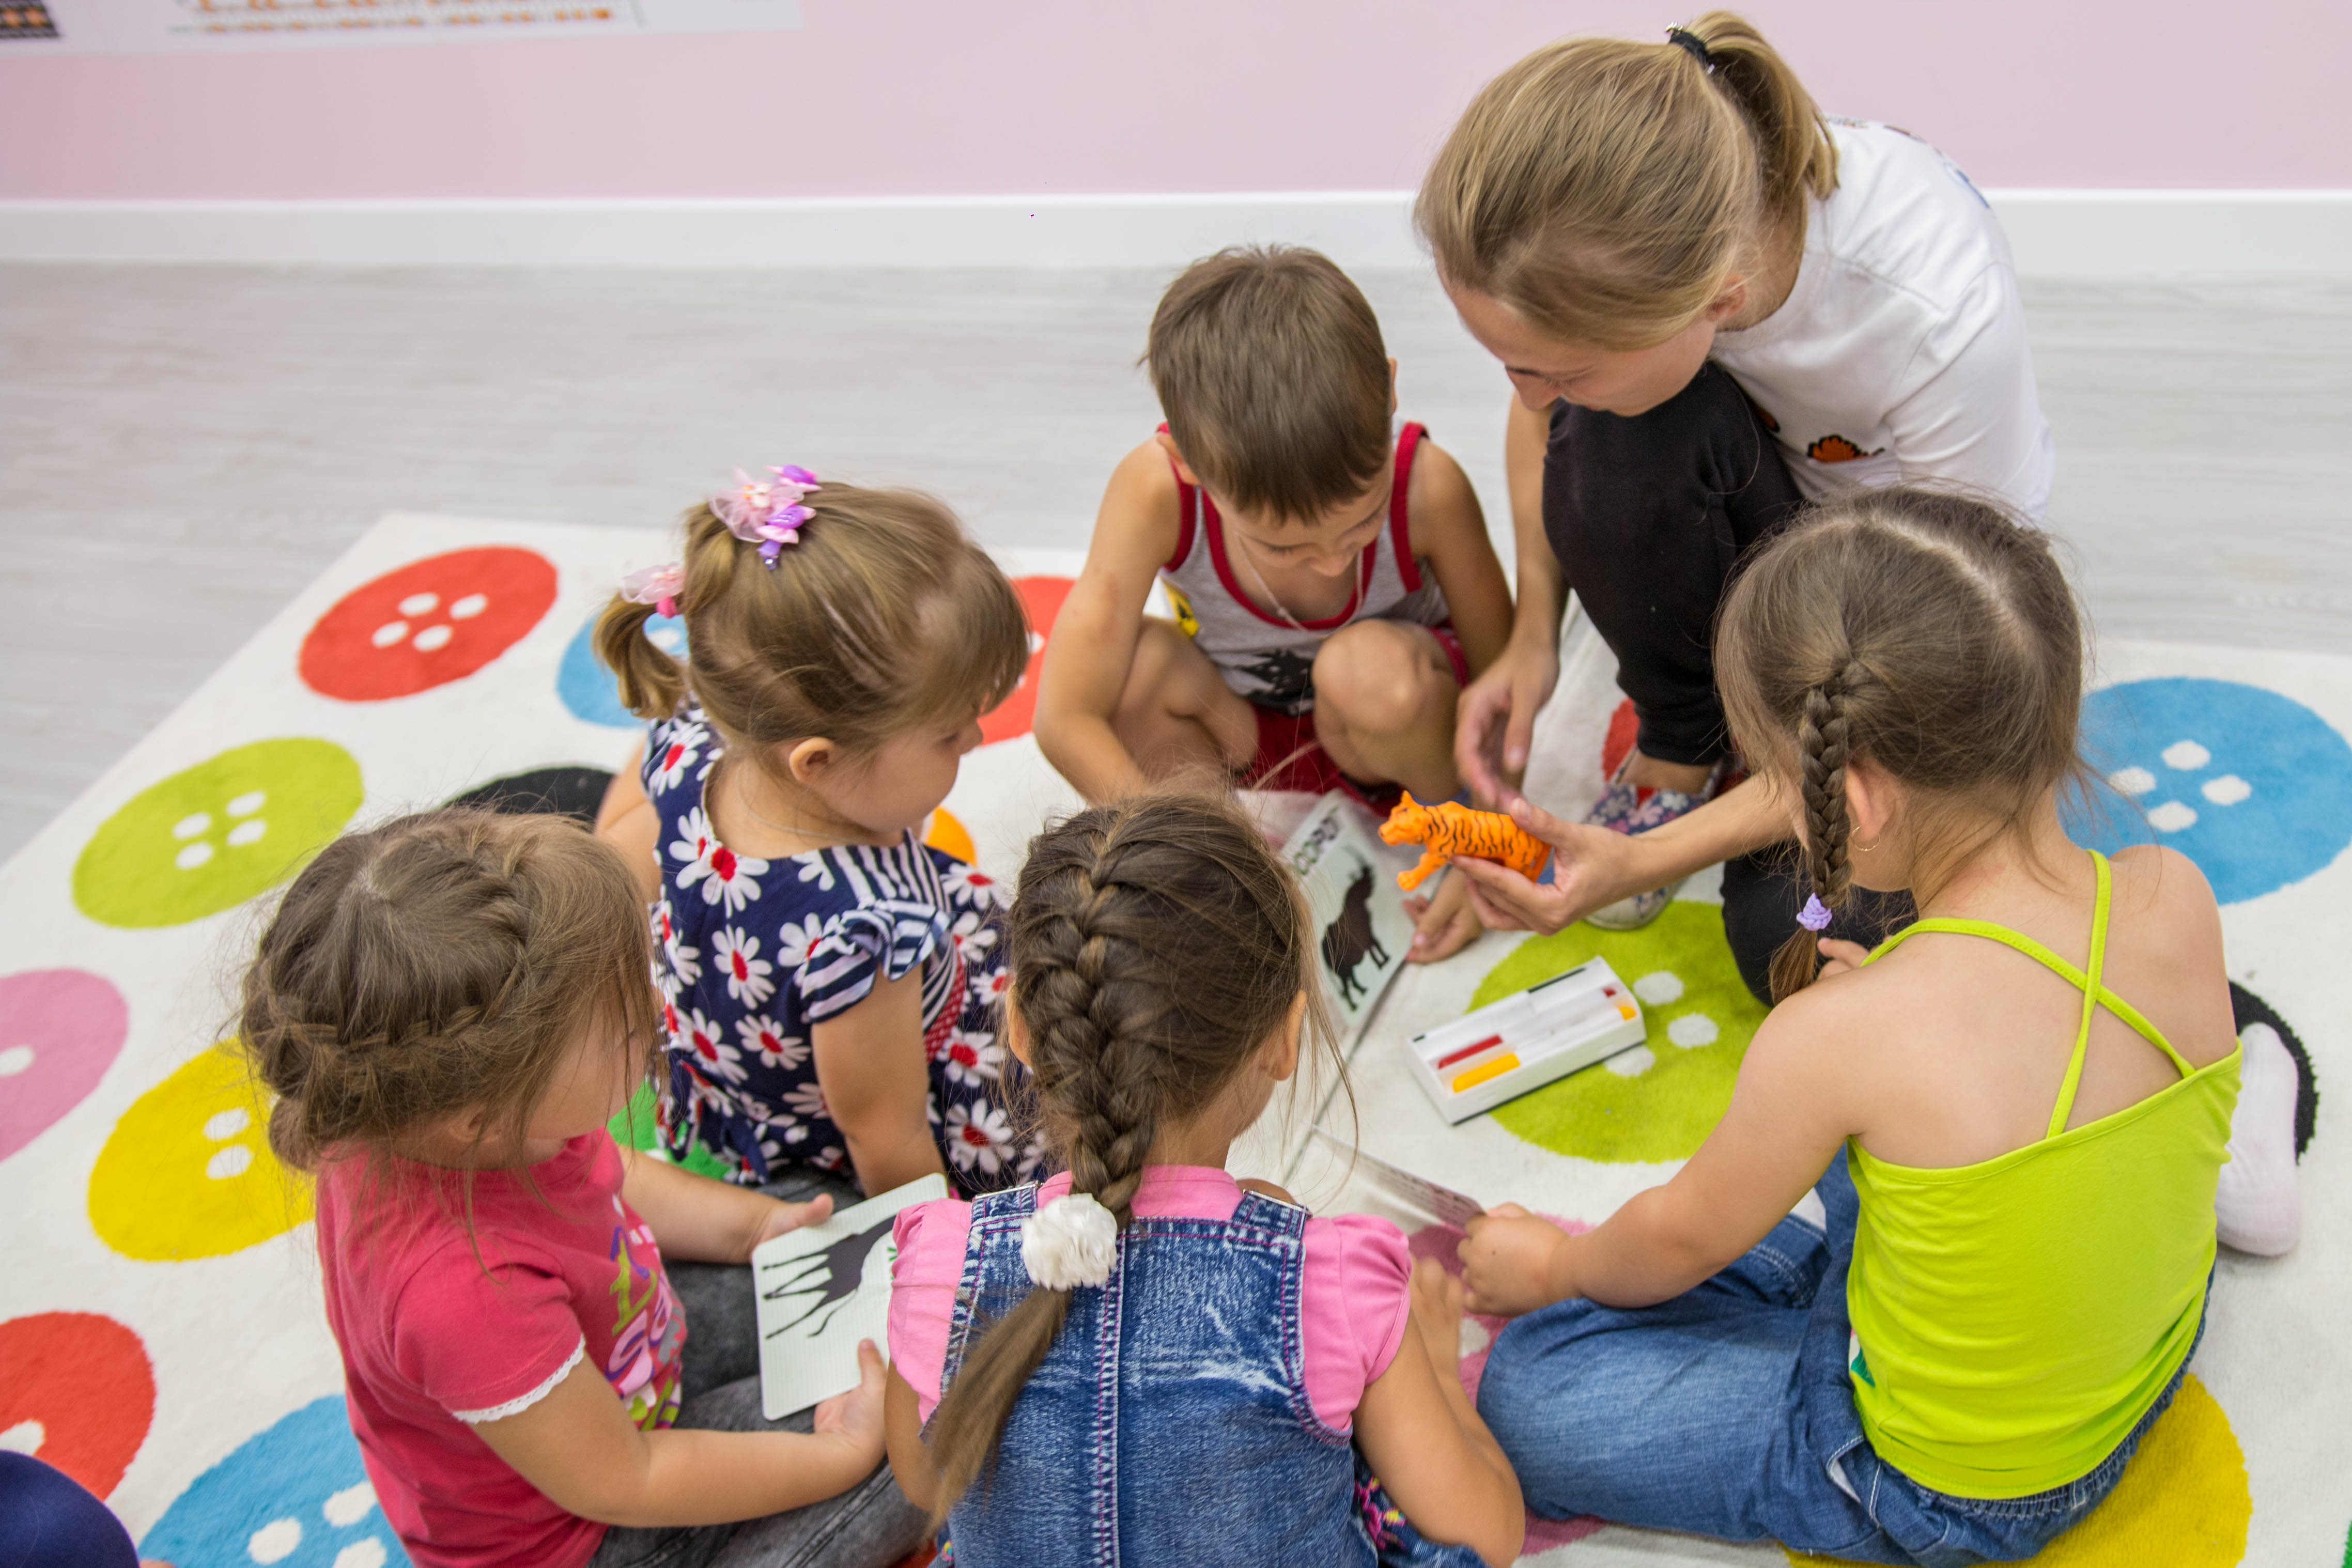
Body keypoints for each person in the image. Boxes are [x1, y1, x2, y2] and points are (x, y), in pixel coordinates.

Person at [1456, 492, 2256, 1562]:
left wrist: (1554, 1271)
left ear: (1860, 800)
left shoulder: (1845, 1037)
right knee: (1861, 1150)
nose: (1789, 809)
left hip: (1951, 1487)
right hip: (2142, 1356)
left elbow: (1683, 1234)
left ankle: (1759, 1350)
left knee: (1527, 1388)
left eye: (1785, 782)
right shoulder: (2172, 890)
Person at [1407, 10, 2050, 960]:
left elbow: (1952, 660)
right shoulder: (1663, 221)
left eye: (1558, 369)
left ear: (1719, 302)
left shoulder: (1934, 316)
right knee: (1601, 433)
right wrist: (1530, 640)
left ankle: (1747, 762)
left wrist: (1651, 857)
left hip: (1922, 600)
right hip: (1775, 518)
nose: (1530, 401)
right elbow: (1550, 416)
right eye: (1510, 364)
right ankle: (1684, 737)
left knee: (1786, 941)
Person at [237, 809, 925, 1568]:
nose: (655, 1020)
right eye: (622, 1028)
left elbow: (610, 1175)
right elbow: (626, 1480)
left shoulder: (440, 1108)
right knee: (919, 1435)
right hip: (588, 1532)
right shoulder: (462, 1291)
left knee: (863, 1244)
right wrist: (843, 1453)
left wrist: (756, 1225)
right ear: (485, 1114)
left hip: (623, 1358)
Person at [881, 794, 1525, 1567]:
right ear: (1284, 1041)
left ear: (1019, 1028)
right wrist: (1444, 1373)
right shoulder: (1335, 1276)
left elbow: (925, 1482)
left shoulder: (942, 1263)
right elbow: (1490, 1533)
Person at [594, 467, 1041, 1201]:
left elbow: (616, 861)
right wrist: (938, 1260)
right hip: (860, 1099)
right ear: (820, 762)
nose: (977, 735)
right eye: (947, 735)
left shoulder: (697, 739)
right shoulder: (864, 933)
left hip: (741, 1051)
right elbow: (884, 1135)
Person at [1034, 245, 1512, 812]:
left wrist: (1489, 828)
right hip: (1249, 735)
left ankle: (1450, 820)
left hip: (1402, 735)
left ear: (1388, 394)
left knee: (1365, 672)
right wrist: (1165, 849)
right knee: (1135, 673)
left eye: (1363, 520)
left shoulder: (1429, 487)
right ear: (1185, 461)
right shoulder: (1153, 493)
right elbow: (1065, 716)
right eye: (1282, 546)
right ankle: (1220, 846)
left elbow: (1503, 673)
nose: (1335, 562)